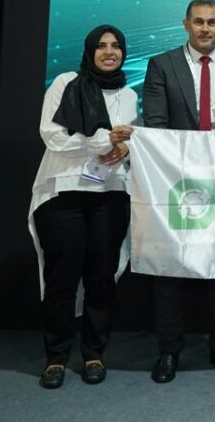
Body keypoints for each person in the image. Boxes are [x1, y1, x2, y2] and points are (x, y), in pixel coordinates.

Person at [143, 0, 215, 382]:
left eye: (212, 22)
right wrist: (189, 160)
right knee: (170, 269)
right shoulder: (162, 64)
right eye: (198, 22)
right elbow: (156, 123)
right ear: (186, 24)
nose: (205, 28)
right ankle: (168, 350)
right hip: (177, 181)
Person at [29, 25, 135, 389]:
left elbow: (135, 140)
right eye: (101, 46)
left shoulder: (130, 95)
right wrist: (104, 141)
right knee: (62, 280)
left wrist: (126, 148)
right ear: (90, 51)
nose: (109, 51)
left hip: (110, 194)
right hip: (64, 194)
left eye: (116, 46)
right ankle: (56, 357)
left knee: (101, 280)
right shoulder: (66, 82)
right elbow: (53, 135)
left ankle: (94, 353)